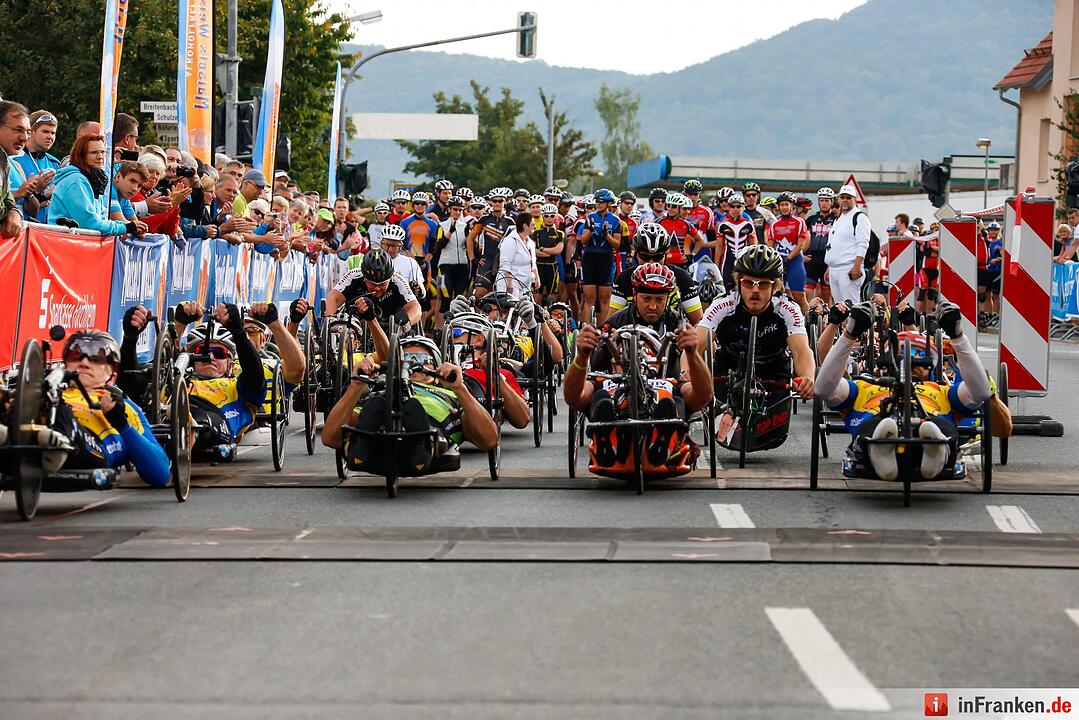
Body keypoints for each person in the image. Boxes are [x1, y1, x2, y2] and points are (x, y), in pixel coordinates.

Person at [564, 263, 713, 478]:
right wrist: (582, 355)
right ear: (634, 295)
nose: (653, 306)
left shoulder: (678, 324)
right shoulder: (614, 322)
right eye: (647, 299)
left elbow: (704, 396)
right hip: (617, 386)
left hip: (665, 386)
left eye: (659, 300)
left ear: (668, 299)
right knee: (600, 395)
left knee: (675, 401)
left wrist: (692, 353)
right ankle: (607, 439)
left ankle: (664, 439)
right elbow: (573, 397)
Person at [814, 301, 992, 481]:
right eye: (903, 353)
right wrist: (849, 334)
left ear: (930, 364)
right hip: (874, 435)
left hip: (932, 430)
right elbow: (824, 390)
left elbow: (980, 393)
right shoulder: (864, 386)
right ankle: (881, 450)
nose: (911, 359)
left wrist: (957, 335)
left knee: (939, 428)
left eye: (919, 354)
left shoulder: (942, 390)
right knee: (872, 429)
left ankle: (934, 452)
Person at [1, 328, 172, 489]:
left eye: (96, 358)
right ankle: (7, 437)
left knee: (61, 408)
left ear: (111, 377)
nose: (83, 362)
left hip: (92, 448)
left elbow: (160, 474)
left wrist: (122, 425)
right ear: (65, 364)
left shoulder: (123, 406)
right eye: (76, 355)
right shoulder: (46, 390)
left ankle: (56, 445)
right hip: (29, 435)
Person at [323, 333, 498, 476]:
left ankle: (422, 445)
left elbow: (489, 440)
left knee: (413, 407)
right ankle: (361, 444)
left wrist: (459, 389)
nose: (413, 362)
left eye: (422, 358)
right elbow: (330, 437)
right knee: (376, 402)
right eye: (406, 357)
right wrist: (356, 385)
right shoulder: (377, 391)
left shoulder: (450, 394)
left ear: (437, 369)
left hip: (432, 430)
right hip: (379, 420)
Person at [697, 244, 815, 449]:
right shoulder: (723, 304)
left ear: (775, 286)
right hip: (728, 367)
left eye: (763, 285)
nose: (755, 290)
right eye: (749, 283)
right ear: (738, 283)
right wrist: (686, 374)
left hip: (773, 370)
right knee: (721, 422)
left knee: (771, 434)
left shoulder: (787, 308)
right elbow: (696, 346)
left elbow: (801, 350)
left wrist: (807, 378)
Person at [47, 135, 146, 236]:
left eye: (102, 152)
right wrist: (126, 227)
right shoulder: (76, 180)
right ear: (81, 155)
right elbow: (90, 223)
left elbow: (101, 219)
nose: (100, 156)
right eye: (94, 152)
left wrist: (126, 226)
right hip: (64, 244)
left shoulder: (93, 179)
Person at [609, 222, 703, 324]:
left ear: (666, 254)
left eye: (657, 257)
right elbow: (611, 322)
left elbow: (698, 322)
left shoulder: (682, 277)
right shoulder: (624, 278)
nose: (651, 262)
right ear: (635, 253)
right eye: (645, 257)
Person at [325, 245, 422, 328]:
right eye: (372, 284)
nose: (377, 288)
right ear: (364, 278)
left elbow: (415, 307)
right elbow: (333, 297)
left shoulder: (397, 280)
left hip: (388, 325)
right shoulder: (353, 276)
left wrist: (406, 324)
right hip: (356, 321)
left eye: (382, 284)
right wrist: (332, 321)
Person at [824, 183, 870, 305]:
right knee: (839, 309)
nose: (845, 200)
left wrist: (857, 266)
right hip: (834, 269)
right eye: (842, 197)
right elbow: (833, 245)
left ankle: (856, 325)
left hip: (849, 268)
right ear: (838, 199)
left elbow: (863, 243)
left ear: (854, 199)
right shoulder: (839, 219)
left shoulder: (859, 217)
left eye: (848, 197)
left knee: (852, 307)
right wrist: (829, 267)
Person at [11, 110, 60, 222]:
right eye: (45, 131)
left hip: (49, 230)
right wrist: (38, 194)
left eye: (53, 133)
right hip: (21, 227)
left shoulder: (55, 163)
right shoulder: (14, 159)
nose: (50, 137)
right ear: (31, 132)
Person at [765, 191, 810, 312]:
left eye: (787, 204)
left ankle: (810, 323)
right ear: (779, 207)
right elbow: (770, 245)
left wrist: (788, 258)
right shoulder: (775, 224)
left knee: (799, 297)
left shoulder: (799, 222)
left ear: (792, 206)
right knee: (776, 295)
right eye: (782, 205)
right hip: (779, 262)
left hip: (794, 260)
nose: (784, 207)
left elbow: (801, 244)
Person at [467, 186, 513, 299]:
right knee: (479, 294)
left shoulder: (510, 222)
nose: (497, 203)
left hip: (503, 263)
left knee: (502, 296)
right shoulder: (484, 219)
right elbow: (470, 238)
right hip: (486, 261)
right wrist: (473, 259)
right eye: (494, 201)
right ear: (490, 202)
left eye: (500, 200)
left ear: (505, 201)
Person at [0, 100, 31, 238]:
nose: (24, 138)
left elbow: (7, 200)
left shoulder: (4, 161)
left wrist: (14, 211)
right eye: (17, 130)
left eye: (28, 132)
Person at [715, 192, 756, 289]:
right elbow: (719, 247)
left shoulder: (748, 224)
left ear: (743, 208)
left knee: (744, 289)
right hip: (727, 262)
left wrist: (753, 263)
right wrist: (716, 265)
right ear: (728, 208)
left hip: (744, 261)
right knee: (727, 289)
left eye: (738, 206)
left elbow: (753, 245)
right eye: (732, 206)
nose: (735, 209)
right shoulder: (723, 225)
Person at [495, 211, 538, 300]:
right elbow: (505, 263)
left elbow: (533, 263)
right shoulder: (510, 241)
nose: (535, 226)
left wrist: (537, 278)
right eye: (532, 224)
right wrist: (509, 283)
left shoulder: (531, 243)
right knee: (510, 310)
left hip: (524, 284)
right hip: (509, 284)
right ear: (525, 226)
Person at [804, 187, 836, 302]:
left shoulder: (837, 219)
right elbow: (800, 237)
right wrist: (801, 254)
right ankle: (808, 316)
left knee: (826, 294)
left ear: (832, 202)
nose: (824, 203)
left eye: (827, 200)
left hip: (827, 259)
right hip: (811, 259)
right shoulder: (811, 219)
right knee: (807, 292)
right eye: (822, 200)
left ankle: (826, 318)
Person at [532, 202, 565, 305]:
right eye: (546, 215)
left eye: (552, 215)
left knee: (552, 299)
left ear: (555, 216)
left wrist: (542, 249)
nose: (549, 218)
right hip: (538, 267)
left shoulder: (559, 233)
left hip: (552, 268)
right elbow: (533, 251)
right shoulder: (536, 233)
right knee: (536, 299)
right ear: (543, 216)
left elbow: (558, 250)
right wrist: (550, 252)